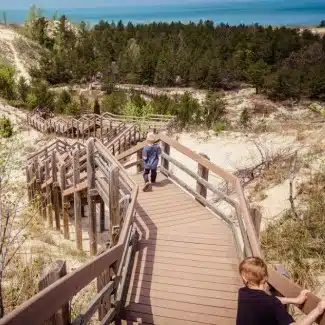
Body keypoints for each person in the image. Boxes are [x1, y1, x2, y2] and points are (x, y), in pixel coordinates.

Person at [237, 257, 325, 325]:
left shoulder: (243, 293)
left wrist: (295, 300)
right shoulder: (272, 303)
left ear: (244, 278)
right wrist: (317, 311)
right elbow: (271, 301)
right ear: (266, 278)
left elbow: (269, 300)